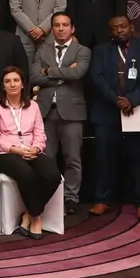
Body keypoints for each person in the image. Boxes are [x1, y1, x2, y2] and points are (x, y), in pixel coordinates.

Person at [88, 15, 140, 221]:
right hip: (107, 112)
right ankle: (101, 200)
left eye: (123, 26)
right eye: (114, 28)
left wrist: (132, 99)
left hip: (137, 112)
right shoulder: (101, 51)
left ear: (131, 27)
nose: (119, 30)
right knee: (103, 159)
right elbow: (96, 77)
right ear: (109, 31)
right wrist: (116, 100)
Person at [0, 66, 59, 239]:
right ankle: (36, 218)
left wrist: (36, 148)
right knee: (27, 174)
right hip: (4, 153)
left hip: (31, 150)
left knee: (52, 174)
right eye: (7, 81)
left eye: (16, 80)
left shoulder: (33, 106)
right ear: (2, 85)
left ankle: (28, 214)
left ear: (22, 84)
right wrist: (16, 150)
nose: (12, 84)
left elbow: (40, 134)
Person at [30, 12, 90, 215]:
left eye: (65, 25)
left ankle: (71, 198)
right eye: (57, 25)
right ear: (52, 29)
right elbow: (34, 77)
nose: (61, 28)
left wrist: (49, 71)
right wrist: (65, 73)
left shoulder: (83, 51)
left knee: (73, 159)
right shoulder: (42, 51)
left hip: (72, 113)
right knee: (46, 159)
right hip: (45, 112)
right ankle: (50, 198)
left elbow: (78, 73)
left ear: (72, 28)